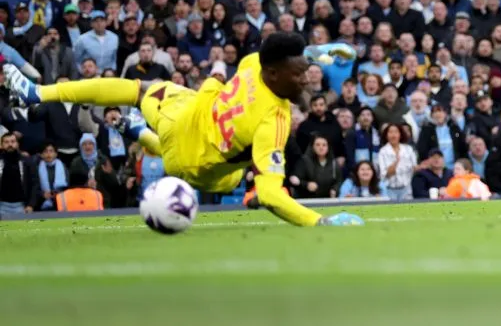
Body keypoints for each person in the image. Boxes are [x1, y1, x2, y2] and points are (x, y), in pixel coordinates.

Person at [5, 32, 361, 227]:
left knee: (138, 90)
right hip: (193, 161)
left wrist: (320, 52)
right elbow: (272, 194)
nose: (306, 78)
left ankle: (39, 93)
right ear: (274, 74)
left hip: (189, 111)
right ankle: (137, 131)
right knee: (241, 176)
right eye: (299, 74)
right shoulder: (274, 123)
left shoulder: (255, 63)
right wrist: (322, 222)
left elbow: (288, 60)